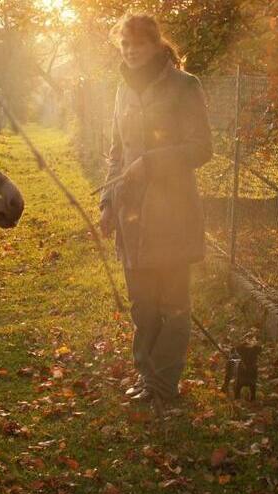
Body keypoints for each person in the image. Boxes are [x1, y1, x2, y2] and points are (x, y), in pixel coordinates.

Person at [99, 13, 213, 407]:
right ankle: (148, 378)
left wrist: (150, 161)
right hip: (132, 217)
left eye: (138, 44)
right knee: (143, 305)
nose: (130, 52)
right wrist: (107, 204)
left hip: (173, 213)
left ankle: (165, 385)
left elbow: (202, 148)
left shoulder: (185, 86)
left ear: (155, 44)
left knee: (174, 306)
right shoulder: (122, 90)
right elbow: (116, 153)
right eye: (125, 45)